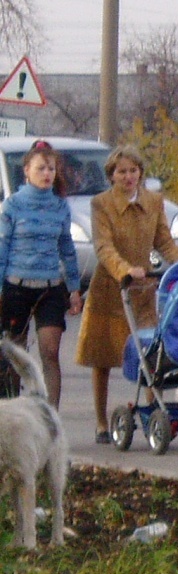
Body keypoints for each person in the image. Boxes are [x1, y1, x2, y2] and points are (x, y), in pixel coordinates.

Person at [74, 145, 178, 444]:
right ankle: (100, 422)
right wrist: (124, 269)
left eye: (133, 171)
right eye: (121, 172)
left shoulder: (154, 202)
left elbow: (165, 241)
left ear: (141, 173)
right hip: (110, 289)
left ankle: (153, 414)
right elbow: (103, 247)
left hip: (145, 290)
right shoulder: (101, 204)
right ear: (111, 175)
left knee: (153, 356)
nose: (128, 177)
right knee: (103, 359)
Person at [0, 139, 83, 407]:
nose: (47, 174)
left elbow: (67, 249)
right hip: (17, 286)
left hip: (49, 287)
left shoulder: (59, 207)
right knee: (16, 353)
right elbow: (2, 247)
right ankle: (12, 412)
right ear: (26, 171)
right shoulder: (13, 205)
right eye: (41, 168)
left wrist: (73, 289)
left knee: (50, 352)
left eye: (51, 169)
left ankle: (51, 418)